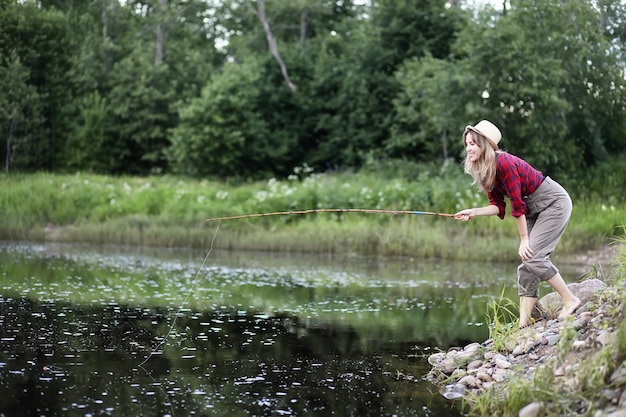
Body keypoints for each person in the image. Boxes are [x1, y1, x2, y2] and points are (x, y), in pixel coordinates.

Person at [454, 120, 581, 328]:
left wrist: (524, 239)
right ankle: (525, 321)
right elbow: (498, 206)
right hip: (533, 210)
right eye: (467, 143)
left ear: (485, 145)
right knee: (526, 266)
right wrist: (474, 212)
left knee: (534, 256)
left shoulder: (504, 163)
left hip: (553, 203)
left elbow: (517, 204)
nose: (468, 148)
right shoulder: (486, 170)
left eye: (474, 144)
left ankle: (570, 299)